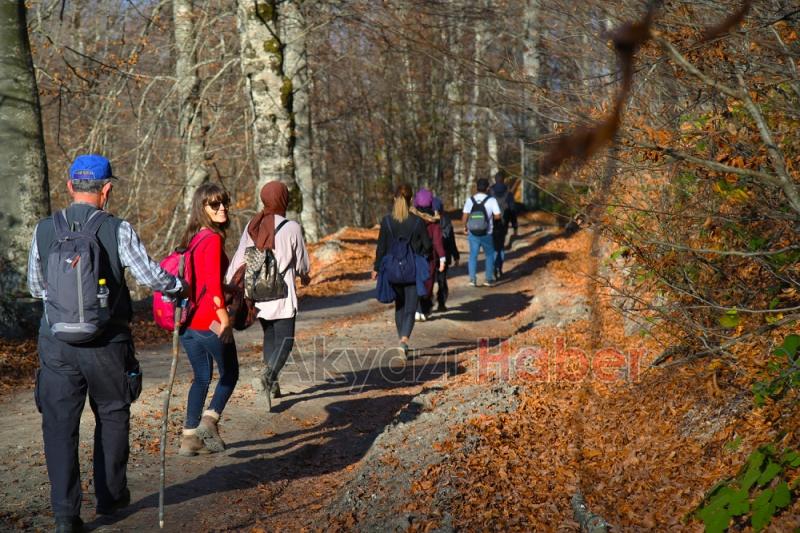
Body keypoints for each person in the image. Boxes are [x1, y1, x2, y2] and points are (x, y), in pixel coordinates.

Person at [27, 155, 186, 533]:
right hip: (108, 342)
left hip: (57, 344)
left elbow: (36, 288)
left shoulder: (45, 229)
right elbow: (151, 276)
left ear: (69, 187)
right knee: (112, 415)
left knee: (59, 425)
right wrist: (178, 287)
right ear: (107, 189)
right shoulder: (117, 228)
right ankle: (111, 498)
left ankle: (66, 514)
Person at [227, 181, 310, 411]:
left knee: (270, 336)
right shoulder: (292, 228)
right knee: (286, 341)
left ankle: (272, 385)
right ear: (283, 199)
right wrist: (304, 275)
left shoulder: (252, 226)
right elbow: (302, 261)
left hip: (258, 293)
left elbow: (239, 259)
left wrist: (230, 286)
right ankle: (267, 378)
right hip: (282, 294)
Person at [177, 183, 239, 456]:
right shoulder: (212, 239)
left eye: (224, 202)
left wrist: (231, 290)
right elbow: (212, 284)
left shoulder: (193, 238)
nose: (222, 208)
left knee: (201, 377)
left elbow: (201, 281)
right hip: (209, 320)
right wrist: (224, 319)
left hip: (188, 322)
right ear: (202, 209)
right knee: (230, 373)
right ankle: (209, 420)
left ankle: (189, 439)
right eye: (215, 205)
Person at [372, 184, 432, 356]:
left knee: (399, 306)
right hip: (412, 269)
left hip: (392, 270)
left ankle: (402, 339)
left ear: (394, 199)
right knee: (410, 308)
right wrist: (421, 254)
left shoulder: (387, 221)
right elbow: (427, 245)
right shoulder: (417, 221)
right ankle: (404, 340)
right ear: (411, 200)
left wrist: (376, 268)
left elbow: (381, 247)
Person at [410, 188, 446, 321]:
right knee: (428, 283)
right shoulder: (434, 221)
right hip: (429, 256)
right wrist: (442, 258)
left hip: (413, 255)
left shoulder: (411, 218)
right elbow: (437, 241)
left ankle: (415, 309)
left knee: (413, 282)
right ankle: (424, 309)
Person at [462, 177, 501, 287]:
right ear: (488, 188)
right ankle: (488, 279)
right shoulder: (492, 200)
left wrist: (465, 227)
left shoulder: (470, 200)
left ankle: (472, 279)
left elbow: (465, 216)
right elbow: (498, 216)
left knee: (473, 255)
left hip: (473, 232)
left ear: (476, 187)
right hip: (487, 232)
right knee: (489, 255)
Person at [432, 195, 459, 312]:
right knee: (442, 279)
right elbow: (451, 240)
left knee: (428, 280)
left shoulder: (427, 220)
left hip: (430, 255)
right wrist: (456, 255)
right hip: (444, 253)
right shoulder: (446, 220)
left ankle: (426, 304)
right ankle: (441, 304)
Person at [488, 171, 518, 279]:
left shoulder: (489, 192)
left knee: (491, 247)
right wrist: (514, 226)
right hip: (503, 223)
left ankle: (492, 269)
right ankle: (499, 268)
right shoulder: (508, 193)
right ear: (503, 180)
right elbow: (513, 210)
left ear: (495, 180)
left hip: (490, 224)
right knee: (500, 247)